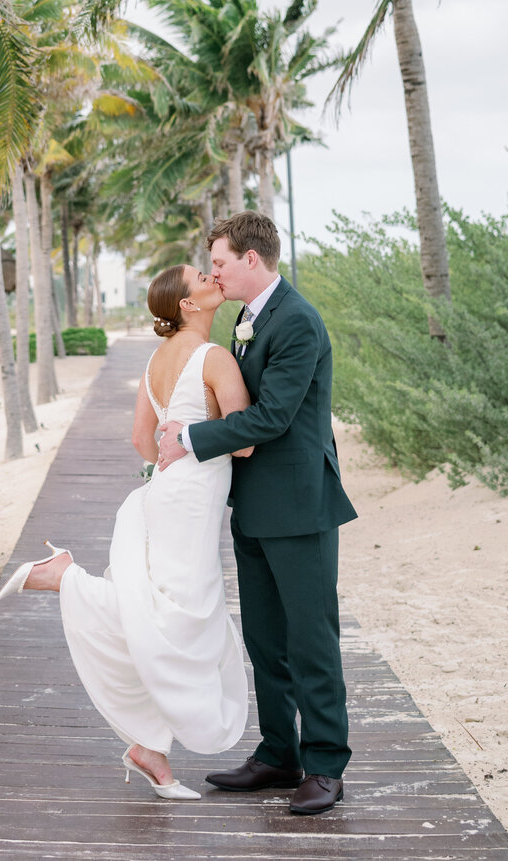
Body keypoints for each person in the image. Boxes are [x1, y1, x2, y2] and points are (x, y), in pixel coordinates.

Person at [0, 259, 252, 799]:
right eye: (203, 278)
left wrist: (174, 450)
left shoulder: (156, 360)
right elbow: (246, 439)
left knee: (171, 612)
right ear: (187, 304)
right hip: (194, 500)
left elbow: (142, 440)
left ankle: (150, 748)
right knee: (183, 617)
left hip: (166, 492)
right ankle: (66, 578)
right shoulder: (214, 357)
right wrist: (200, 443)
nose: (213, 278)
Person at [158, 211, 357, 816]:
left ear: (251, 259)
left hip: (299, 507)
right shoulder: (249, 319)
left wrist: (190, 437)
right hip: (253, 507)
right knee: (265, 639)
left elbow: (272, 417)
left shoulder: (297, 321)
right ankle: (278, 754)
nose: (213, 271)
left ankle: (325, 766)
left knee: (311, 640)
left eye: (218, 261)